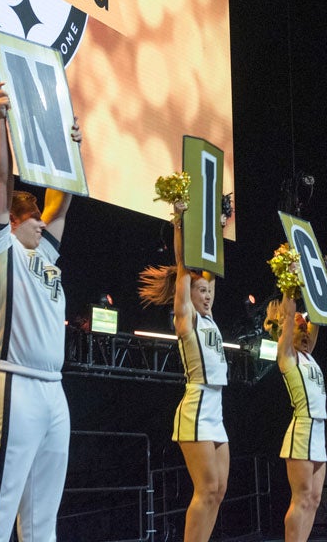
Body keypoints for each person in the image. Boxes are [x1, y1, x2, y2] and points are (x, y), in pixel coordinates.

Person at [0, 83, 80, 542]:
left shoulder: (44, 258)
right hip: (9, 380)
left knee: (41, 522)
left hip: (53, 390)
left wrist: (66, 150)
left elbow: (62, 200)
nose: (42, 221)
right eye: (34, 216)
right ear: (15, 221)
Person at [138, 200, 228, 542]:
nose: (206, 294)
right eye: (200, 290)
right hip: (197, 405)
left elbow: (212, 269)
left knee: (218, 492)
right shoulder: (186, 319)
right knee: (205, 490)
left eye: (208, 291)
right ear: (187, 294)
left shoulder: (209, 317)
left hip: (216, 408)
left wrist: (218, 228)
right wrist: (179, 221)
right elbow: (182, 264)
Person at [264, 291, 325, 542]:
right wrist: (289, 288)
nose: (306, 331)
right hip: (302, 429)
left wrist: (319, 285)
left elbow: (319, 317)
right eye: (301, 327)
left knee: (314, 499)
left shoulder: (308, 354)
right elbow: (289, 317)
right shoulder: (288, 356)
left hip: (318, 431)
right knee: (300, 499)